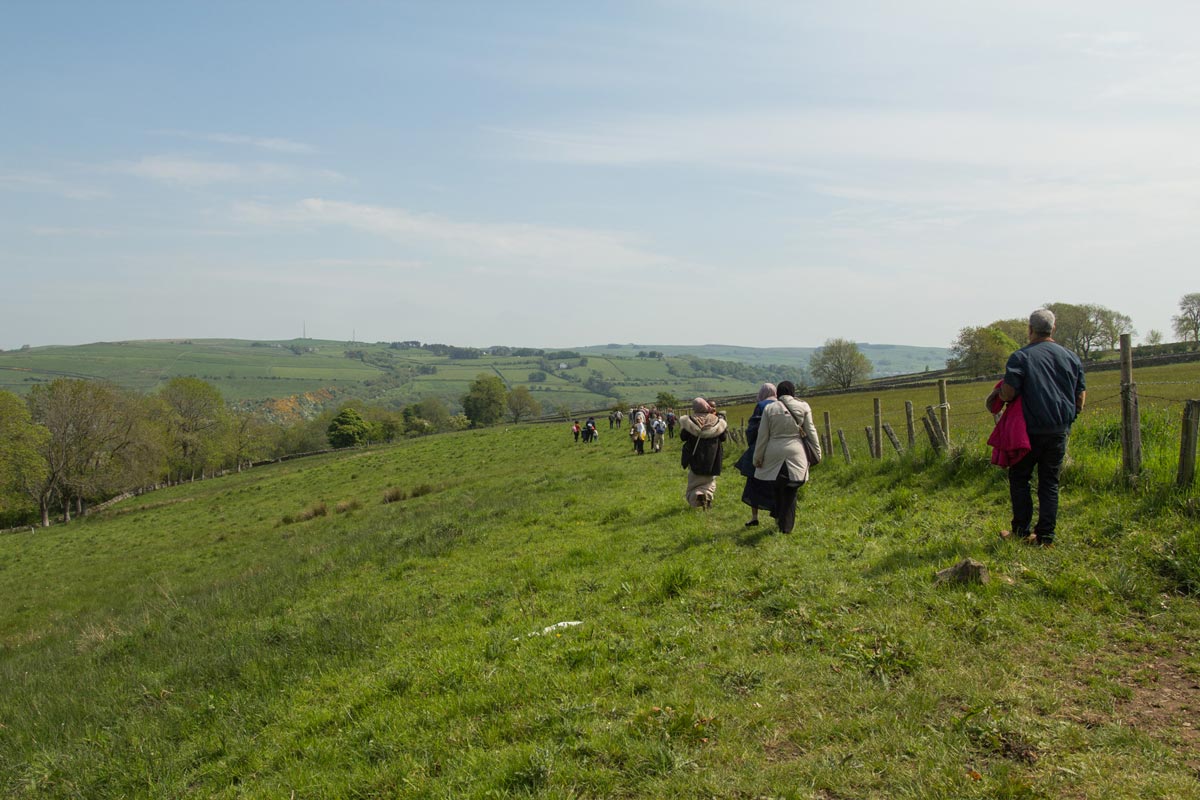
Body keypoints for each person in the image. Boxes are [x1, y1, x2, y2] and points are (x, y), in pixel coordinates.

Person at [986, 308, 1086, 547]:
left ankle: (1021, 531)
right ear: (1053, 328)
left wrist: (998, 392)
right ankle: (1045, 537)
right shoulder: (1071, 357)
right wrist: (1068, 419)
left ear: (1030, 329)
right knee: (1049, 482)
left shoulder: (1020, 357)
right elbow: (1080, 397)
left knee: (1020, 479)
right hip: (1058, 430)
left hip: (1027, 432)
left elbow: (1009, 393)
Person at [753, 381, 820, 534]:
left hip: (773, 452)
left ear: (778, 393)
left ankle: (779, 520)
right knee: (791, 489)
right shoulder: (803, 406)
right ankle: (786, 526)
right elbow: (811, 431)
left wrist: (757, 458)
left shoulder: (769, 408)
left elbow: (762, 436)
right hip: (796, 451)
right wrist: (817, 451)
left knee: (777, 487)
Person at [734, 383, 778, 527]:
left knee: (753, 482)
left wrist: (752, 444)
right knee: (775, 483)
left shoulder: (761, 405)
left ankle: (754, 517)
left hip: (761, 447)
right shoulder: (782, 404)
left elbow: (753, 429)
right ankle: (777, 516)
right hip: (778, 449)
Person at [680, 398, 728, 509]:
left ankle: (697, 495)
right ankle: (707, 495)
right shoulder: (716, 420)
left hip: (695, 455)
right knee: (710, 480)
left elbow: (683, 437)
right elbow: (723, 437)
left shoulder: (690, 421)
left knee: (694, 480)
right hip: (713, 456)